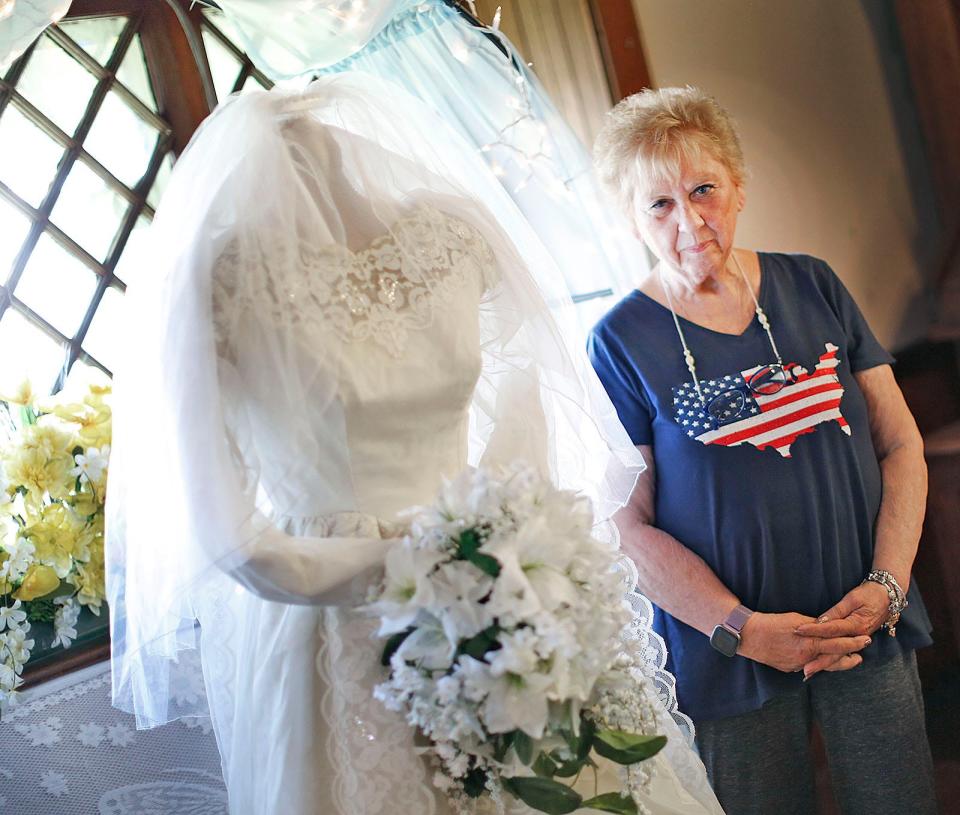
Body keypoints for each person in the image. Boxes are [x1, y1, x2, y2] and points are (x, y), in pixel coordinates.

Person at [106, 74, 724, 815]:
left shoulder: (449, 237)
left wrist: (491, 533)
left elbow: (527, 379)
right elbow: (232, 542)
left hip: (495, 578)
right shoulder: (216, 284)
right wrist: (426, 562)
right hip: (335, 623)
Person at [587, 86, 937, 814]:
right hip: (729, 659)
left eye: (703, 188)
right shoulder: (619, 341)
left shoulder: (814, 283)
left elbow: (900, 441)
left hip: (862, 623)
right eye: (658, 204)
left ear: (738, 187)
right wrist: (742, 630)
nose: (688, 219)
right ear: (630, 219)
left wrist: (888, 586)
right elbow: (627, 526)